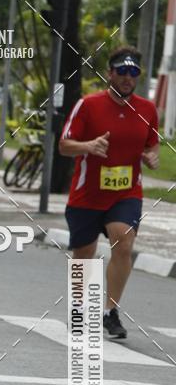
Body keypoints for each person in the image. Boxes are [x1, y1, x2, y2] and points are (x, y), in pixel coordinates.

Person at [59, 47, 159, 339]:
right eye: (122, 71)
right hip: (87, 194)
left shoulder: (147, 109)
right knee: (85, 252)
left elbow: (152, 143)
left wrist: (151, 156)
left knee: (123, 241)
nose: (128, 78)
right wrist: (88, 147)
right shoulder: (88, 105)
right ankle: (79, 306)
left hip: (126, 192)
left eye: (134, 72)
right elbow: (65, 145)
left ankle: (109, 311)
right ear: (110, 73)